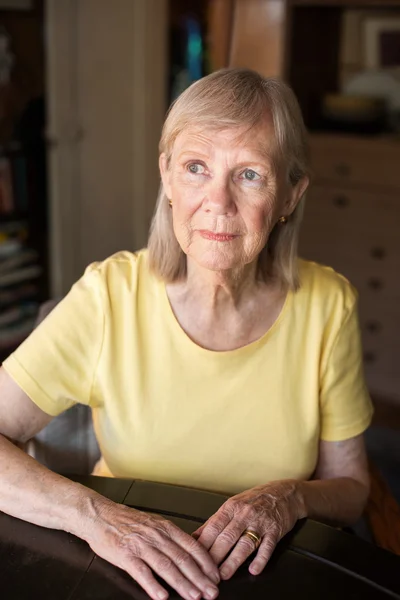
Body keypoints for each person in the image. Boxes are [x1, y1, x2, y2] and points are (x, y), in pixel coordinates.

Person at [0, 68, 373, 600]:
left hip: (270, 576)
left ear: (290, 195)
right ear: (168, 180)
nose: (217, 201)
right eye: (196, 167)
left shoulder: (328, 306)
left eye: (249, 175)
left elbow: (353, 488)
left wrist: (290, 498)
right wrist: (97, 517)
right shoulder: (108, 297)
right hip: (124, 570)